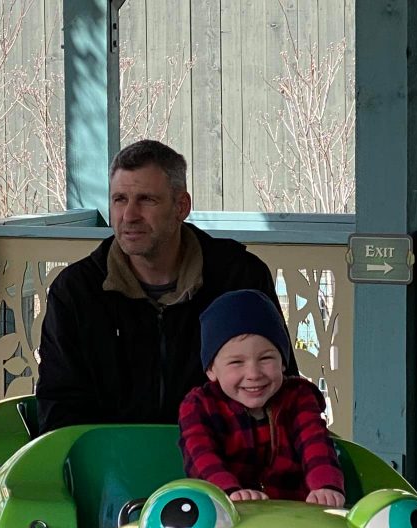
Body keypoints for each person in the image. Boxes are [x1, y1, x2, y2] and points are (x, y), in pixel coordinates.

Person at [35, 139, 295, 433]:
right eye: (119, 199)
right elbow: (59, 410)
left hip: (223, 467)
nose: (129, 215)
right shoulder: (75, 292)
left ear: (181, 206)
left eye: (146, 199)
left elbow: (280, 389)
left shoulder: (239, 279)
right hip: (108, 469)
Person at [178, 289, 345, 506]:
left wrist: (325, 486)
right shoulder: (199, 406)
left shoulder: (298, 397)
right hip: (226, 518)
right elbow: (201, 457)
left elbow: (315, 443)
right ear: (211, 370)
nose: (254, 374)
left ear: (283, 362)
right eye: (237, 362)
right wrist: (227, 492)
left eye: (266, 358)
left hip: (292, 514)